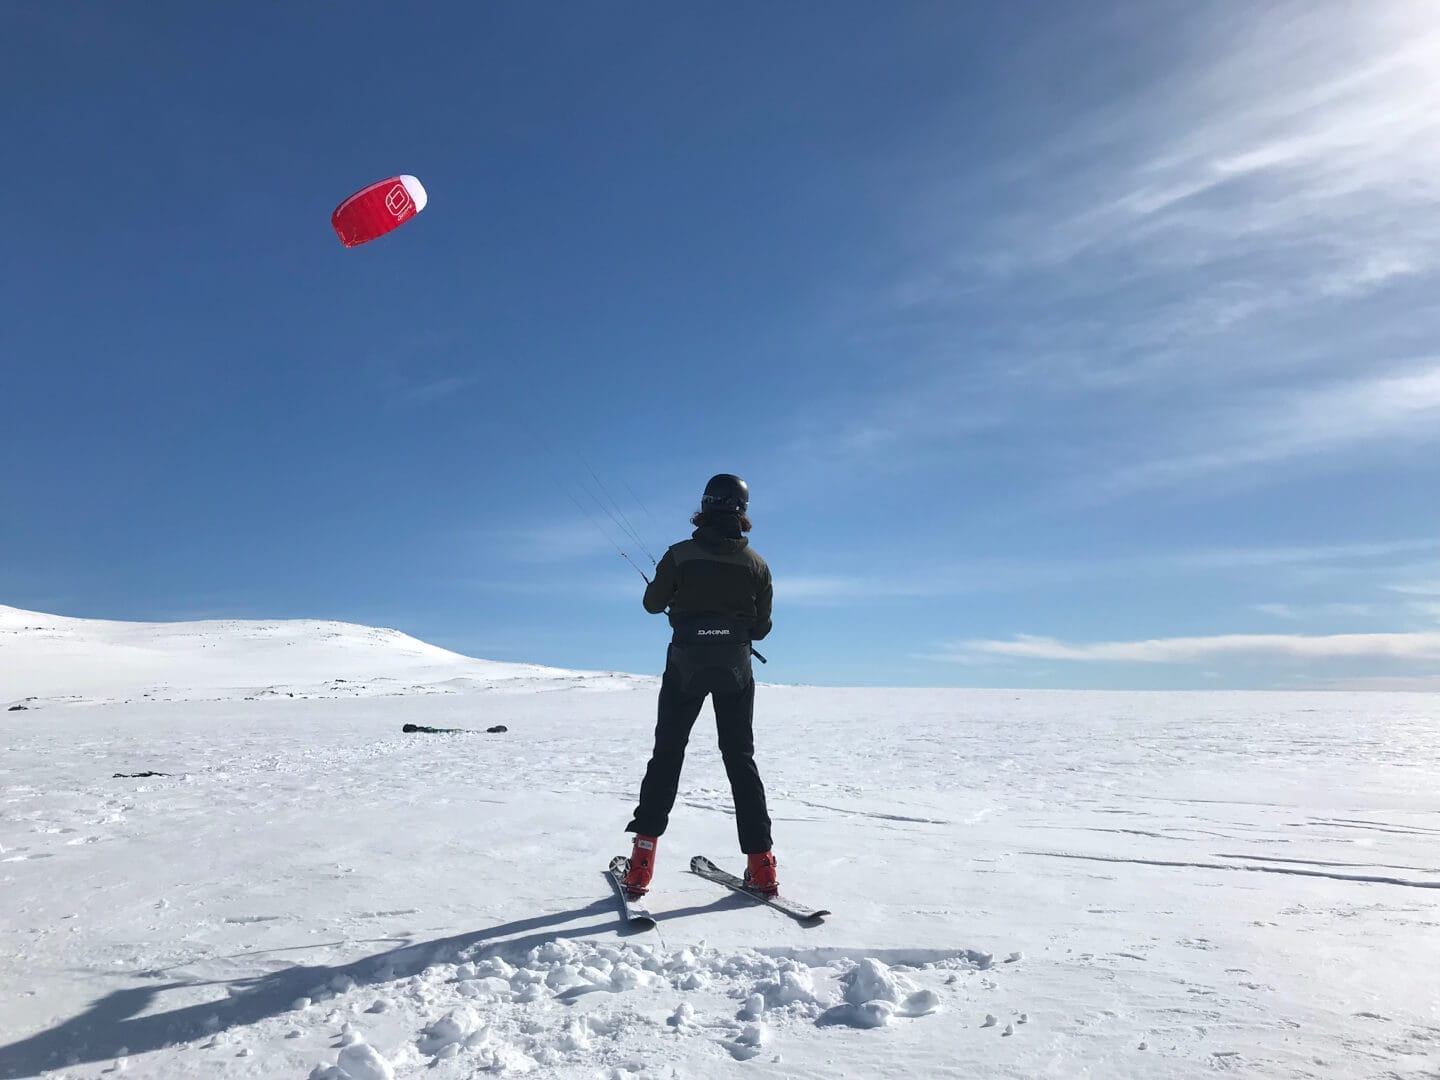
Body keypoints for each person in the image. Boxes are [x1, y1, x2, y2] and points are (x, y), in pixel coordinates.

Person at [622, 474, 777, 897]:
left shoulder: (679, 555)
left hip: (685, 669)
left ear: (705, 507)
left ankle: (640, 866)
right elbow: (761, 630)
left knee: (667, 756)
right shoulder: (757, 565)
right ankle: (762, 868)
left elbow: (653, 604)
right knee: (740, 760)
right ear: (742, 512)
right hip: (736, 672)